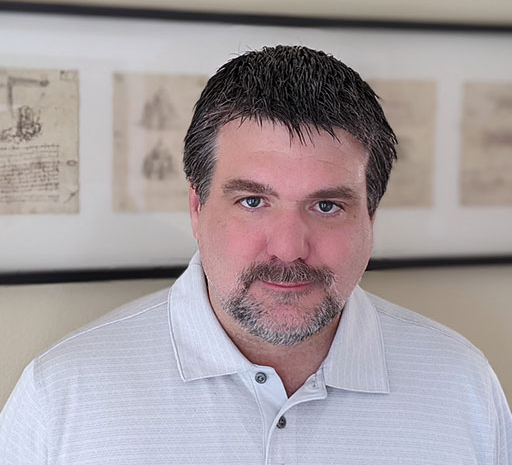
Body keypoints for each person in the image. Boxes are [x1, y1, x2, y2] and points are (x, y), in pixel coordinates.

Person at [1, 45, 511, 464]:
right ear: (197, 208)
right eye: (252, 201)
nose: (288, 248)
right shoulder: (62, 396)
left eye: (327, 206)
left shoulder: (463, 387)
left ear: (371, 219)